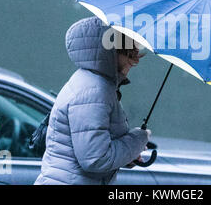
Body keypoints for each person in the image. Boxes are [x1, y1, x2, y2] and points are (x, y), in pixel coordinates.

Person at [35, 16, 150, 185]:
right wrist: (139, 139)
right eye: (130, 54)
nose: (135, 61)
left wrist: (126, 156)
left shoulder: (94, 84)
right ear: (111, 51)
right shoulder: (94, 91)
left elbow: (94, 149)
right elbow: (95, 159)